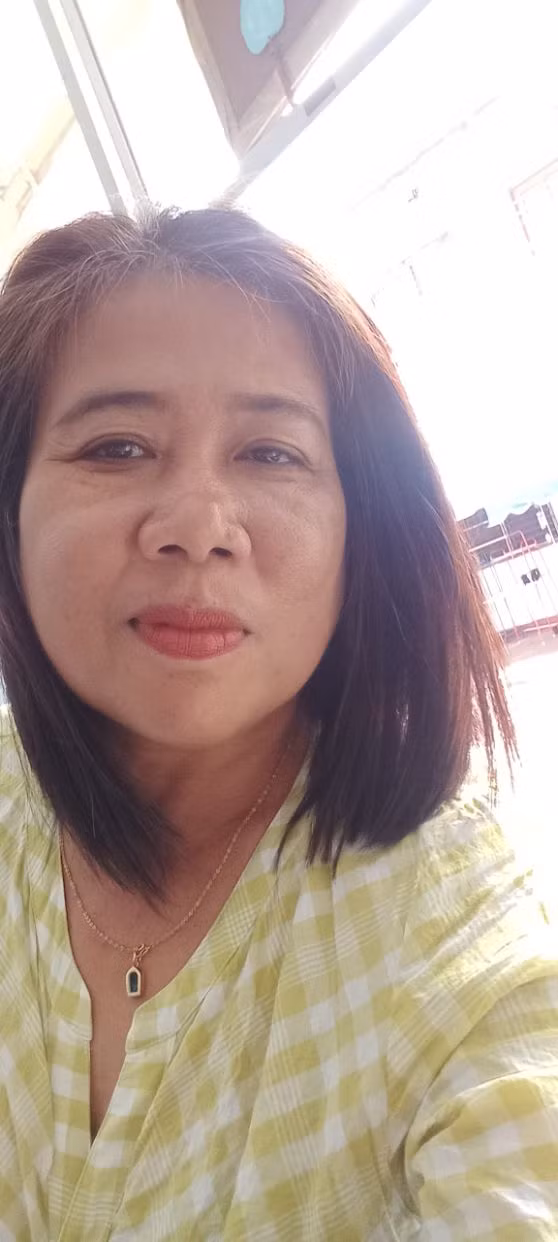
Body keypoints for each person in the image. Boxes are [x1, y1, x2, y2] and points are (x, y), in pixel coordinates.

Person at [0, 206, 556, 1240]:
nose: (198, 527)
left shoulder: (451, 926)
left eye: (271, 453)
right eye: (118, 446)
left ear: (362, 526)